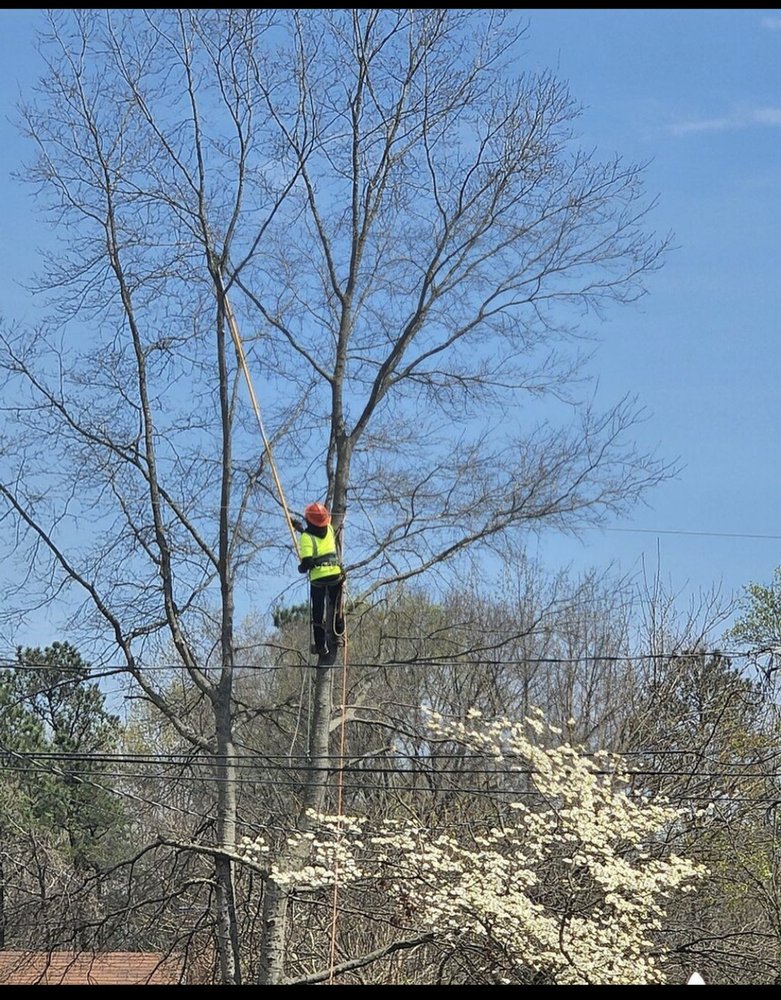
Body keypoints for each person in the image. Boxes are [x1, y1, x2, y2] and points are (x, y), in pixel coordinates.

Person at [292, 502, 346, 656]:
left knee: (318, 611)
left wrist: (301, 568)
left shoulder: (306, 538)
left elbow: (308, 562)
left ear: (309, 521)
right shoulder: (329, 529)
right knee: (337, 607)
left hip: (319, 578)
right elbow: (314, 533)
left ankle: (321, 645)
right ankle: (339, 635)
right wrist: (299, 527)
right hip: (335, 574)